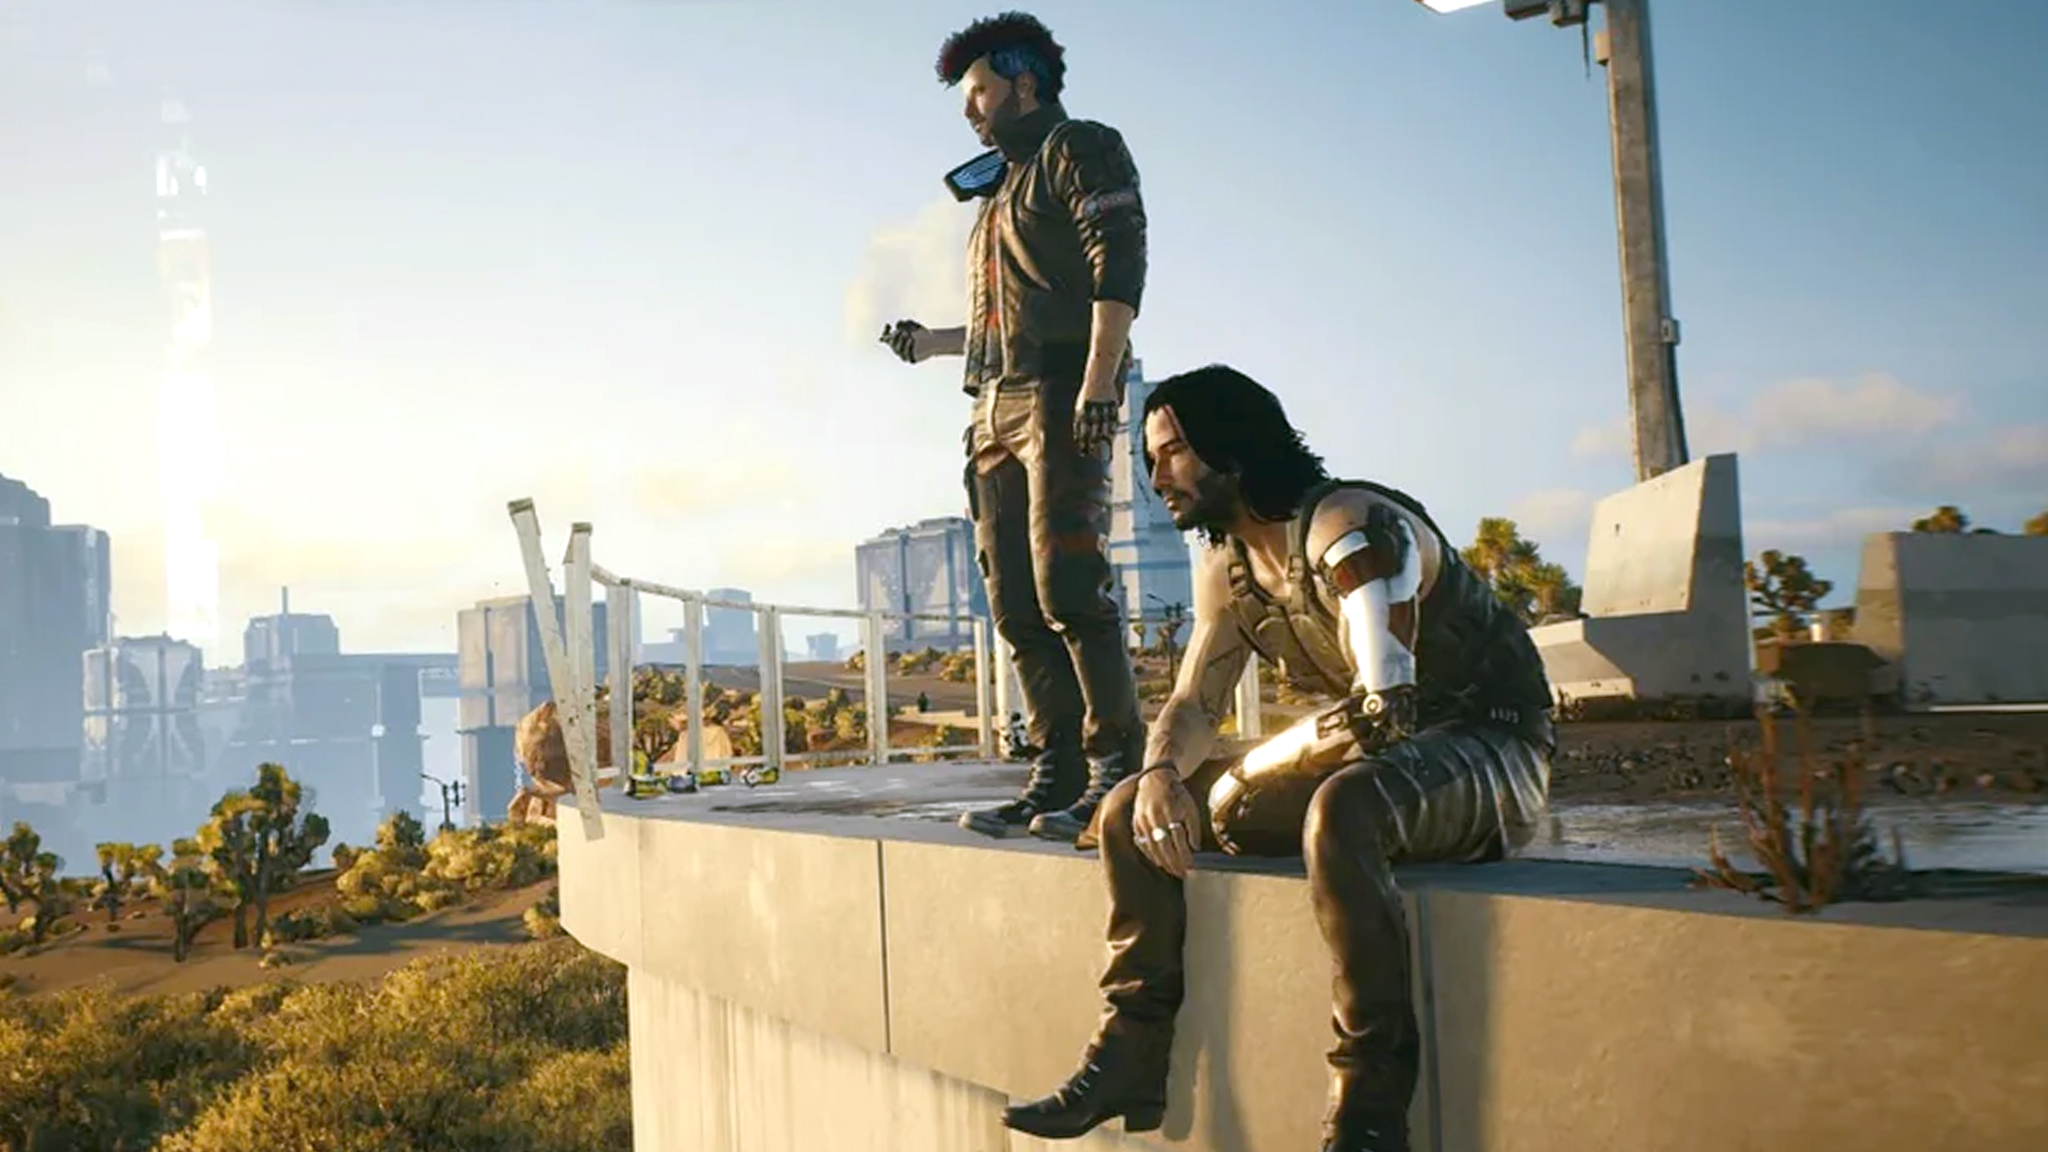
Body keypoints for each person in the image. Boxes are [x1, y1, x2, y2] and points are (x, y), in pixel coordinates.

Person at [1001, 365, 1556, 1152]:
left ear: (1234, 447)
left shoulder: (1352, 526)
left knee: (1344, 808)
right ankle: (1129, 1055)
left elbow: (1383, 704)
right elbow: (1194, 705)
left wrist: (1239, 783)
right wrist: (1161, 778)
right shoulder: (1227, 570)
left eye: (1174, 452)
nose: (1157, 476)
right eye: (1150, 458)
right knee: (1128, 809)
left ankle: (1369, 1108)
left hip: (1491, 746)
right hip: (1381, 759)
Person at [883, 12, 1148, 844]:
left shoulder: (1081, 148)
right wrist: (933, 344)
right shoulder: (997, 193)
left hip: (1060, 391)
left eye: (979, 91)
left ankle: (1115, 775)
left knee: (1070, 587)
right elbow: (1009, 314)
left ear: (1024, 83)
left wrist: (1100, 380)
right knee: (1015, 606)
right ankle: (1053, 777)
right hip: (991, 408)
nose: (971, 109)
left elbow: (1119, 262)